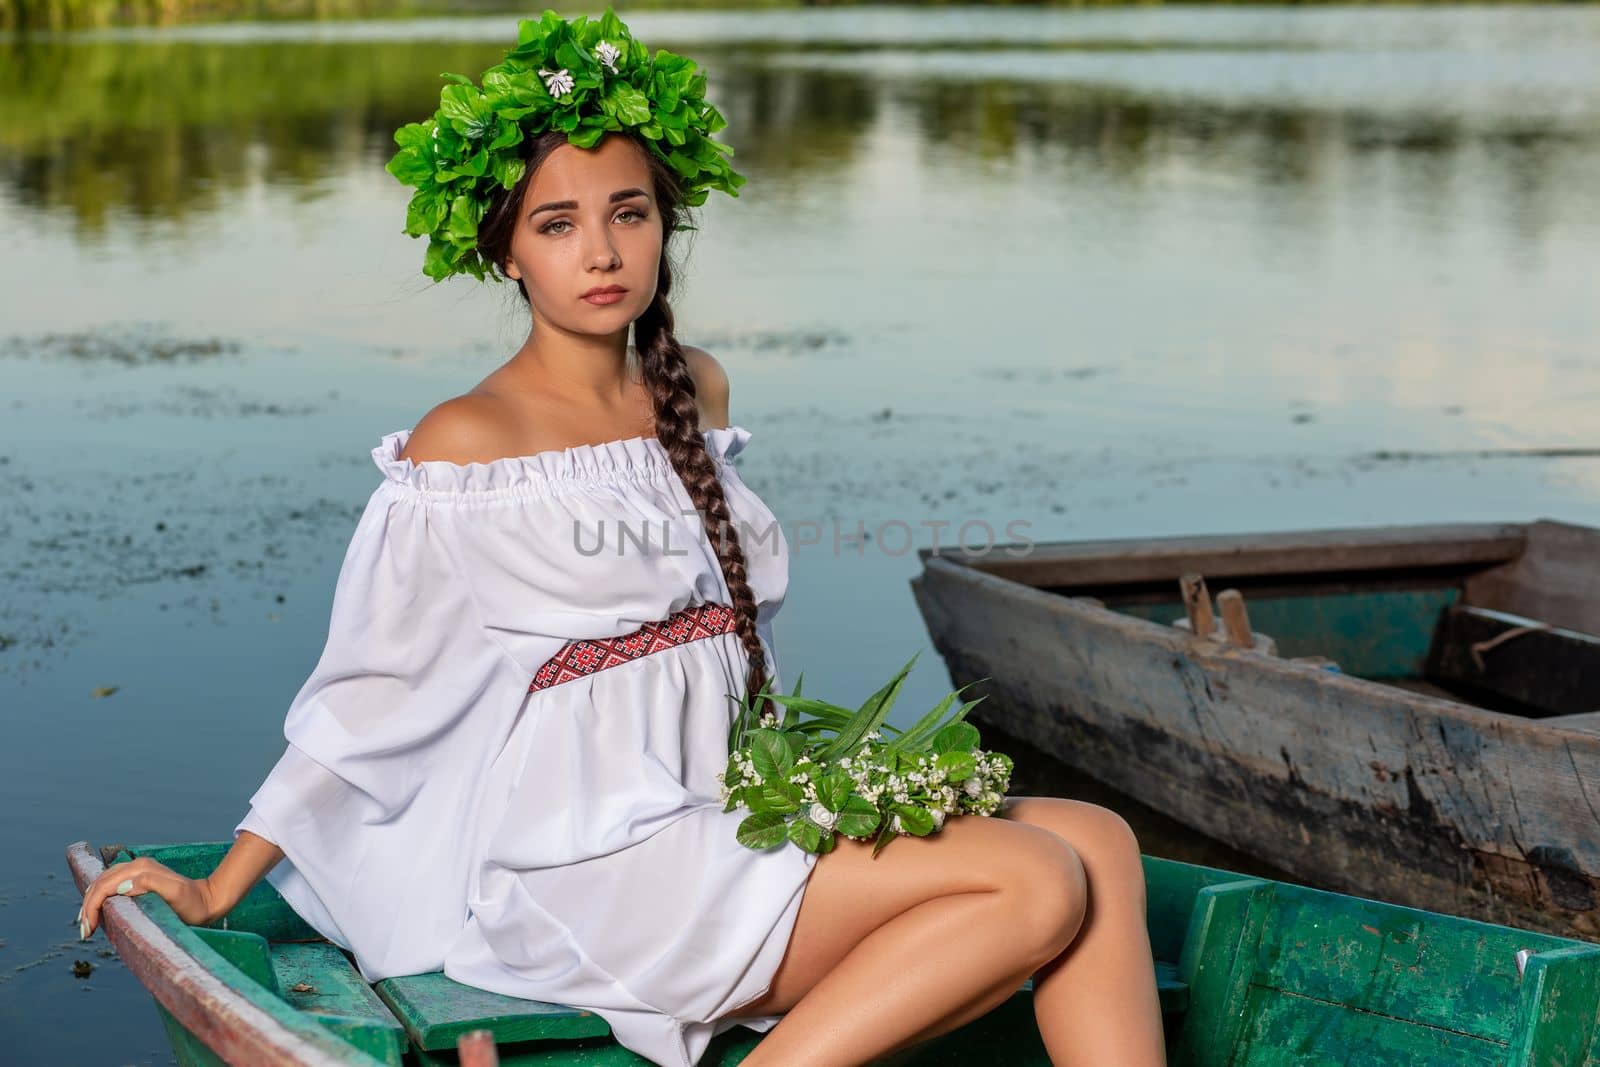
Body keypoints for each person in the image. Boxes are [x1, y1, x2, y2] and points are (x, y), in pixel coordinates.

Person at [78, 10, 1167, 1066]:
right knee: (1032, 880)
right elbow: (374, 695)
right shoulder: (467, 441)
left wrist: (808, 785)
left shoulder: (695, 386)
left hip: (728, 809)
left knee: (1102, 843)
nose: (600, 251)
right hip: (594, 866)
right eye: (557, 225)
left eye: (629, 212)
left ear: (664, 222)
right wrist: (222, 884)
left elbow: (726, 647)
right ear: (504, 251)